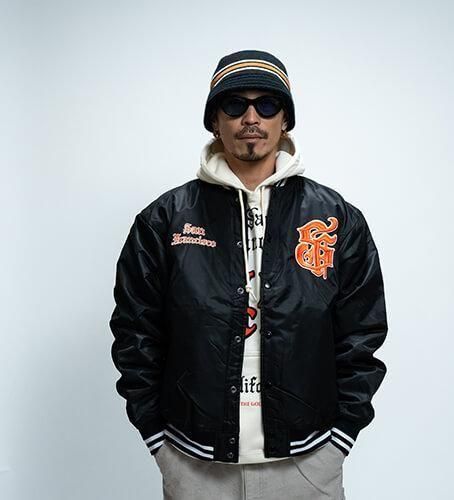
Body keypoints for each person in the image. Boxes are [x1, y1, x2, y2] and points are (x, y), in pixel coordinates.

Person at [109, 49, 388, 500]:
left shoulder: (336, 218)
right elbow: (135, 332)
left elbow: (362, 333)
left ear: (285, 120)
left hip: (307, 462)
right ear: (214, 121)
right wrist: (159, 441)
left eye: (268, 105)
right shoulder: (165, 220)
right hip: (194, 463)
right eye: (235, 105)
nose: (251, 118)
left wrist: (339, 441)